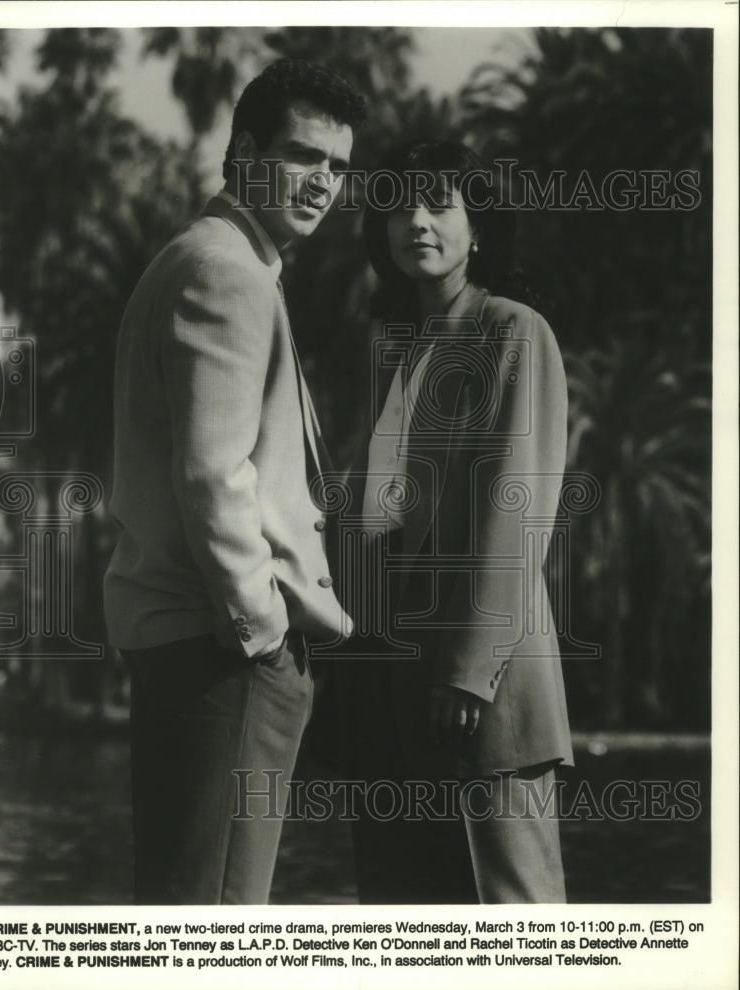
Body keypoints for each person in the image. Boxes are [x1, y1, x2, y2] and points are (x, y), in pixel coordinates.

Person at [103, 58, 365, 904]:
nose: (322, 183)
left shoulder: (210, 259)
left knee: (187, 910)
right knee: (218, 923)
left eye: (337, 167)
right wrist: (266, 635)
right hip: (225, 652)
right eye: (301, 156)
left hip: (194, 643)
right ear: (245, 153)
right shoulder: (229, 274)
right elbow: (214, 478)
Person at [329, 139, 573, 903]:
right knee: (405, 932)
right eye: (399, 204)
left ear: (481, 227)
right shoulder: (395, 350)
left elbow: (516, 504)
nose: (416, 221)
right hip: (386, 685)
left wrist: (468, 672)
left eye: (439, 203)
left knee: (510, 929)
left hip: (480, 691)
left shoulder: (512, 330)